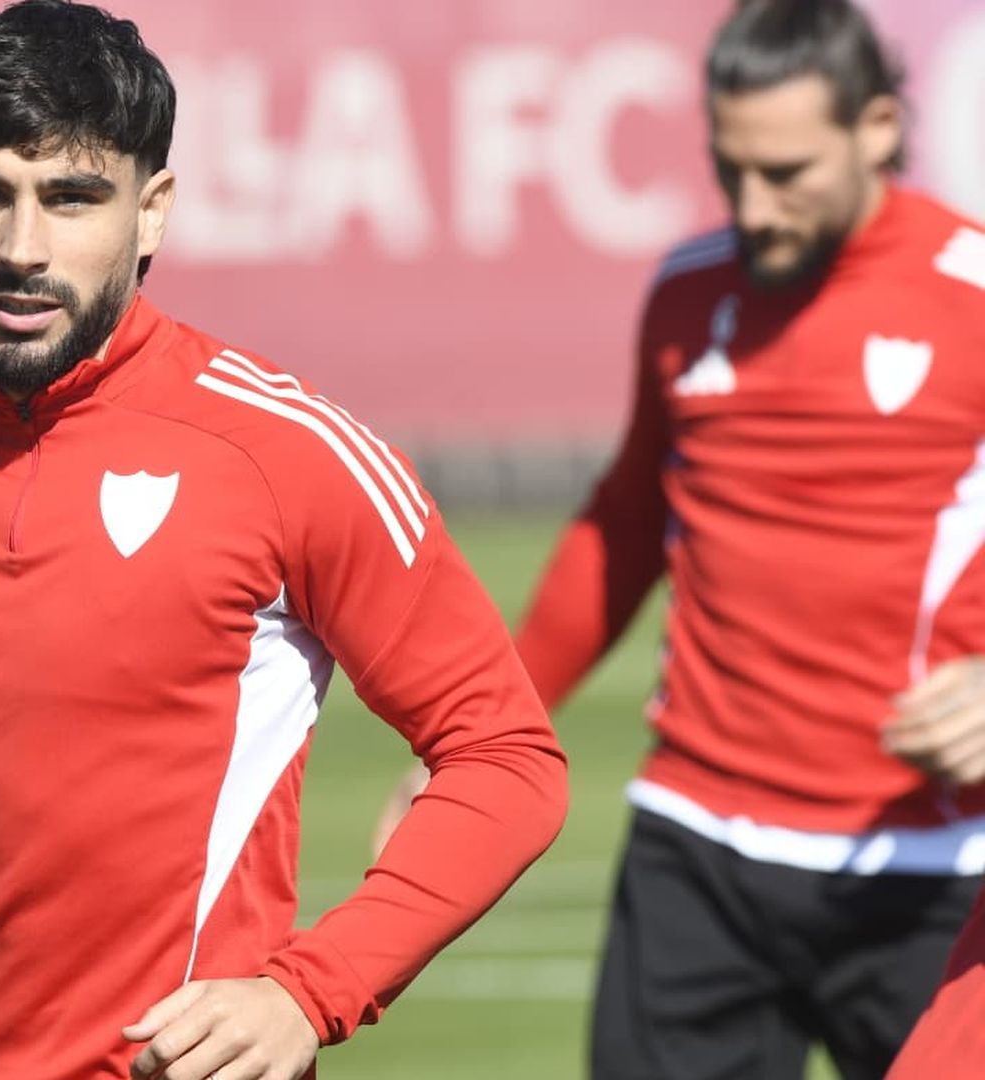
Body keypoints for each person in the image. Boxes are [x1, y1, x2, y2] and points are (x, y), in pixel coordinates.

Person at [0, 2, 569, 1078]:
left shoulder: (288, 453)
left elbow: (506, 758)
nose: (20, 249)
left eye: (73, 198)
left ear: (152, 214)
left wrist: (308, 992)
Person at [378, 2, 985, 1077]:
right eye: (730, 168)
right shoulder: (687, 288)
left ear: (880, 125)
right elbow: (622, 528)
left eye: (789, 171)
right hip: (698, 851)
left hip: (934, 867)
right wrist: (478, 738)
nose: (756, 207)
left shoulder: (971, 294)